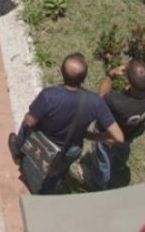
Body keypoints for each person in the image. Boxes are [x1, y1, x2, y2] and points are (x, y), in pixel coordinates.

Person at [9, 53, 123, 195]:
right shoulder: (95, 102)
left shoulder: (49, 95)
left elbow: (30, 121)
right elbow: (119, 138)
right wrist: (91, 136)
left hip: (44, 143)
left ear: (61, 71)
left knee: (27, 121)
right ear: (84, 77)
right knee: (57, 173)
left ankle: (17, 151)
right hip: (71, 149)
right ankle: (49, 188)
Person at [84, 60, 145, 191]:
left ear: (129, 82)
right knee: (123, 148)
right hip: (132, 133)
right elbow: (141, 84)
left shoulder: (118, 103)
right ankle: (119, 165)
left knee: (102, 158)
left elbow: (99, 100)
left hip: (109, 135)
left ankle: (97, 183)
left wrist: (110, 76)